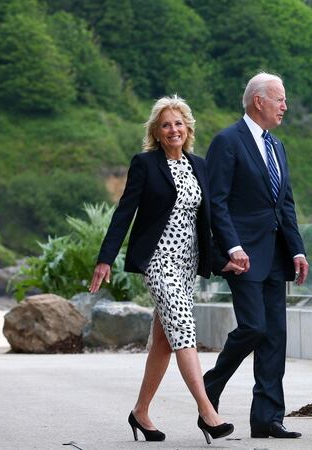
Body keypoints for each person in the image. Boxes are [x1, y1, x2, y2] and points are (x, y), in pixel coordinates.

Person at [89, 95, 238, 445]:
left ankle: (140, 412)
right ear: (157, 131)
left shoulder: (198, 166)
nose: (174, 130)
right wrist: (105, 257)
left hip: (188, 263)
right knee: (184, 329)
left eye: (179, 124)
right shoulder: (145, 164)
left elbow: (207, 223)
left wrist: (221, 259)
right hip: (158, 259)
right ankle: (207, 412)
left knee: (162, 340)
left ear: (188, 129)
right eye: (166, 125)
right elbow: (125, 212)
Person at [203, 72, 308, 439]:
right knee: (254, 328)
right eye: (280, 99)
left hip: (277, 255)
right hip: (242, 256)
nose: (285, 105)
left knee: (275, 336)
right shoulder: (227, 142)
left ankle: (267, 418)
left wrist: (297, 249)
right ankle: (208, 390)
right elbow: (215, 201)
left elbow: (286, 204)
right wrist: (231, 246)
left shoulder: (277, 146)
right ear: (258, 101)